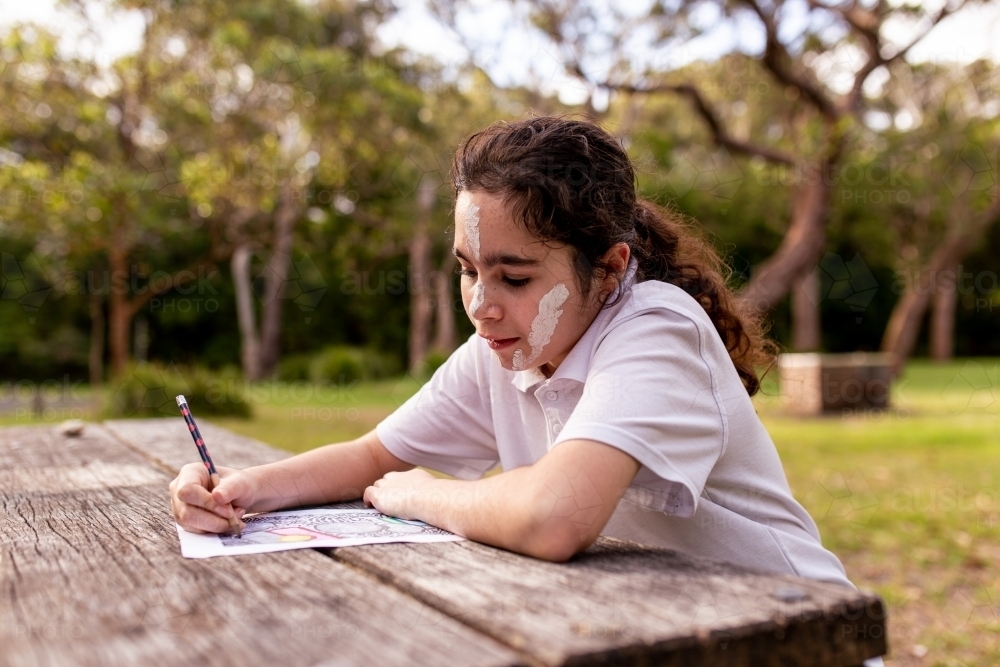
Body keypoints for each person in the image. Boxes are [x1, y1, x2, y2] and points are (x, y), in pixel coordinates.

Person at [169, 116, 855, 587]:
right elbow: (374, 456)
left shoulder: (656, 328)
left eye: (515, 276)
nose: (481, 302)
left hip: (797, 633)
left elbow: (554, 516)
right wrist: (242, 488)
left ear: (610, 267)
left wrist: (423, 497)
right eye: (469, 268)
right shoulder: (507, 345)